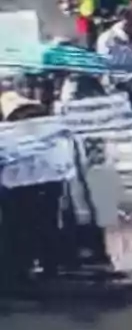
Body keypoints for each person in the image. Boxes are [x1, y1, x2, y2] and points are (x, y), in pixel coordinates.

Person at [0, 90, 61, 285]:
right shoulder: (45, 124)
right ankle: (48, 264)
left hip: (19, 186)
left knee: (19, 226)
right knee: (44, 222)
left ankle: (22, 267)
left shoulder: (11, 130)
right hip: (46, 181)